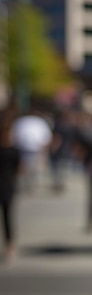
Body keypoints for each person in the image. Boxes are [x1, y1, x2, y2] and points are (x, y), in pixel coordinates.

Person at [0, 110, 22, 262]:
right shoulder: (14, 151)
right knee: (8, 217)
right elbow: (20, 169)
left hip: (5, 185)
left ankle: (10, 246)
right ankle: (10, 246)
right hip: (8, 185)